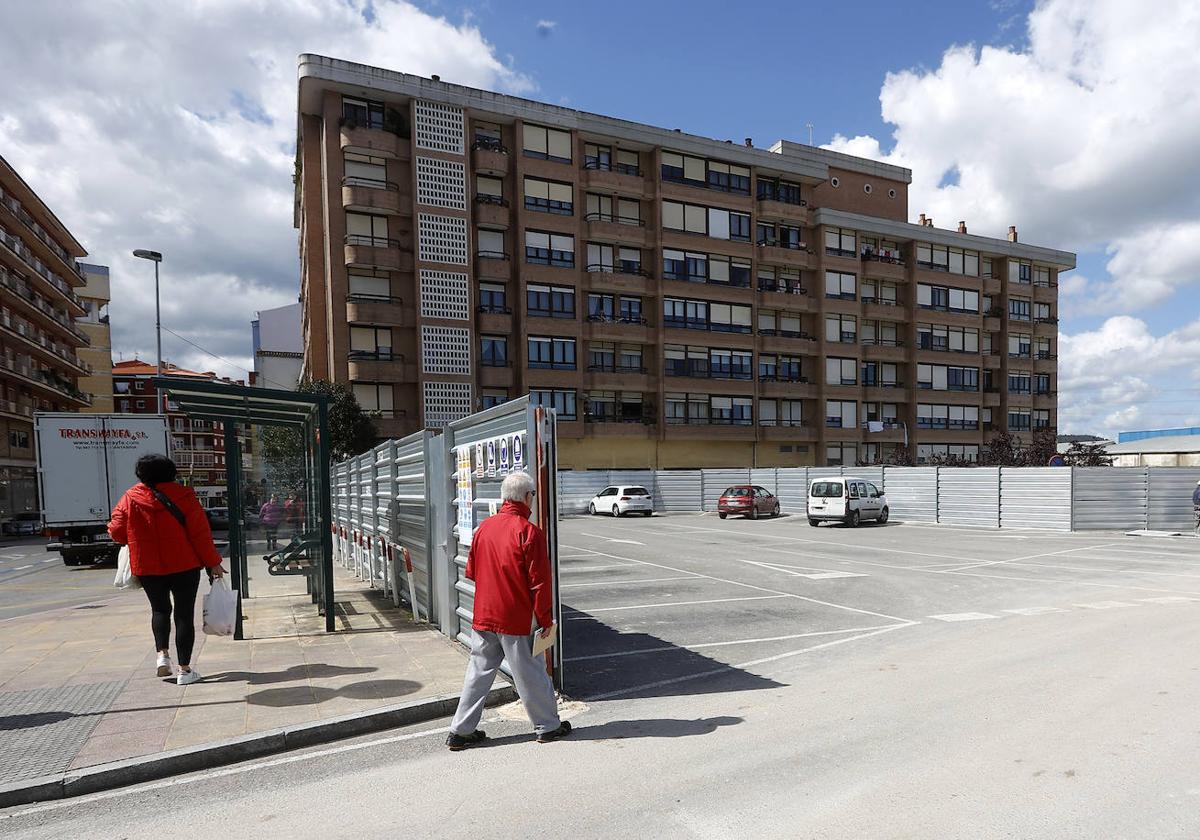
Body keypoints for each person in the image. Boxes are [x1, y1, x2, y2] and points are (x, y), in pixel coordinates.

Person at [446, 471, 569, 750]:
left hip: (484, 614)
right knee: (532, 671)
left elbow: (472, 572)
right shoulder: (529, 532)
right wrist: (546, 619)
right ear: (527, 497)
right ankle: (548, 726)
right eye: (533, 496)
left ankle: (460, 731)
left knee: (478, 672)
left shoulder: (484, 528)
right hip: (516, 617)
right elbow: (540, 583)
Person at [108, 454, 226, 686]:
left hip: (148, 565)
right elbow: (200, 534)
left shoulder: (130, 497)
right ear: (172, 473)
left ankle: (162, 656)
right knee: (183, 615)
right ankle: (185, 670)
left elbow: (117, 532)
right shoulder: (185, 495)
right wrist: (213, 561)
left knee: (160, 610)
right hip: (184, 564)